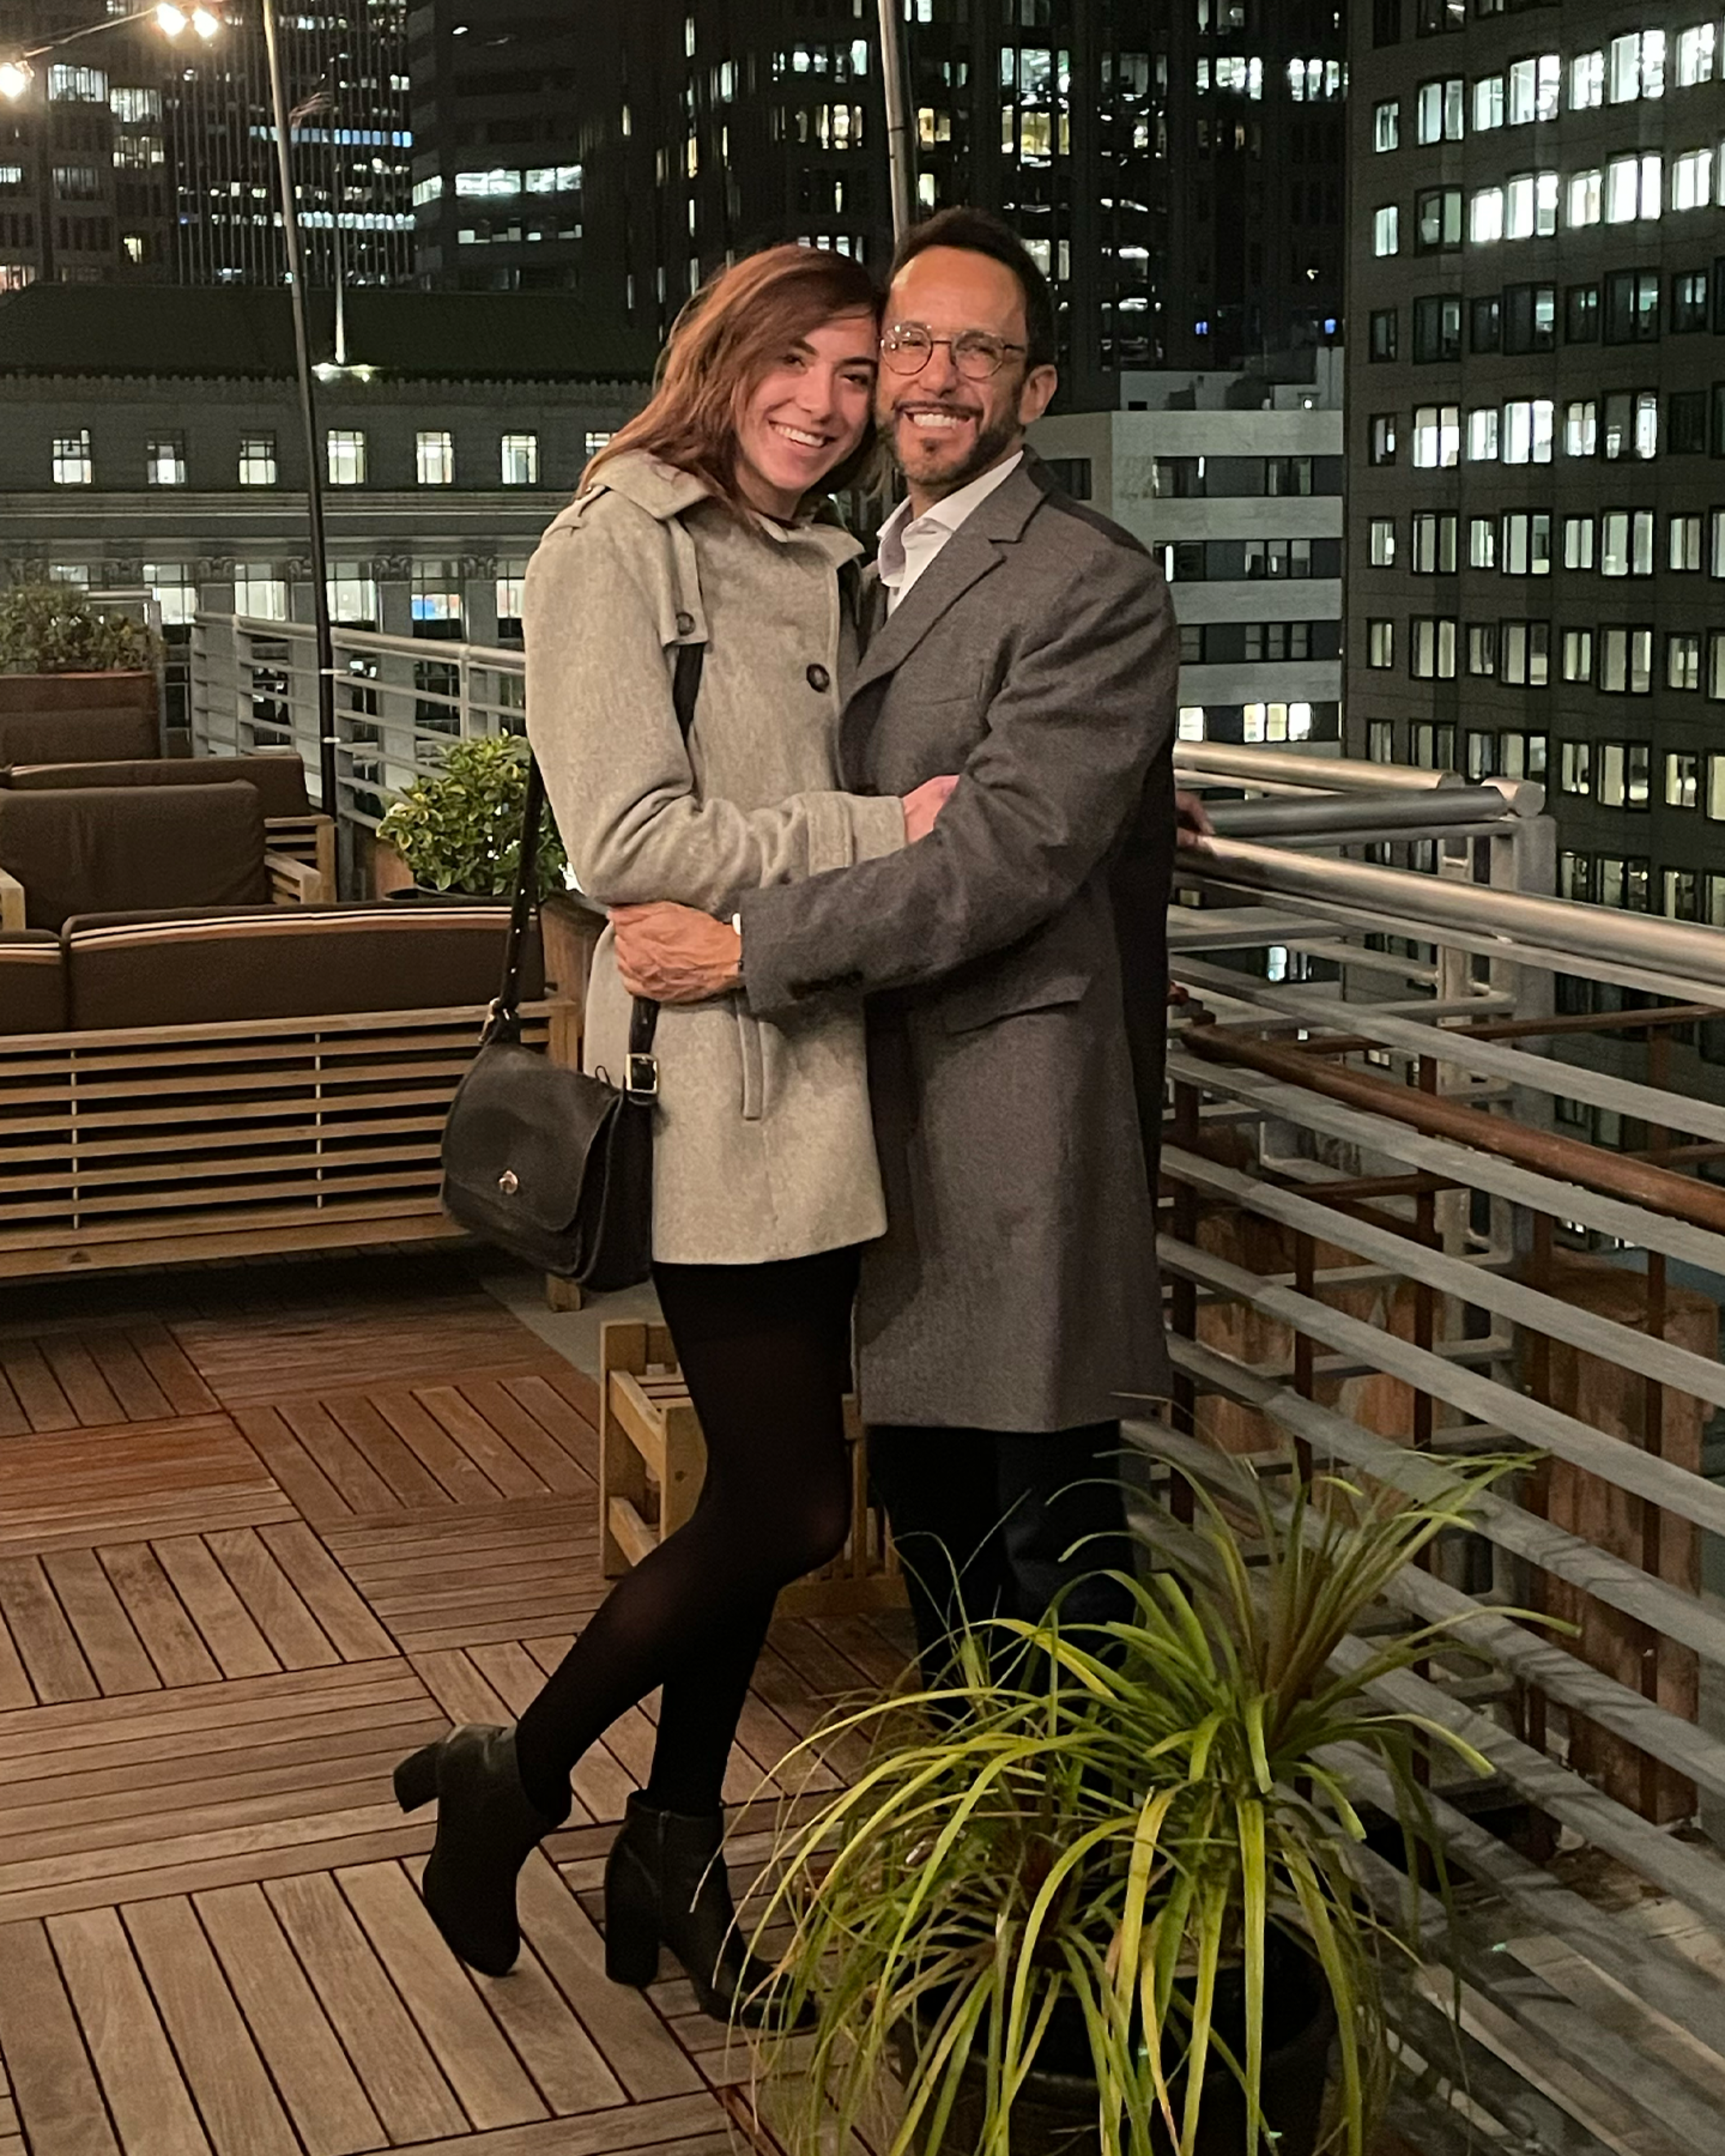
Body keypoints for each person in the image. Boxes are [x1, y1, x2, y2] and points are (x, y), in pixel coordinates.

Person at [394, 243, 955, 2021]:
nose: (826, 404)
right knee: (790, 1504)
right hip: (719, 1082)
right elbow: (628, 840)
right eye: (796, 362)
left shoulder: (832, 560)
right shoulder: (614, 544)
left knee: (751, 1497)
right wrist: (889, 832)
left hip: (834, 1074)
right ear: (722, 359)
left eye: (858, 375)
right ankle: (516, 1773)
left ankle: (676, 1848)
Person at [610, 207, 1182, 1691]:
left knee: (1049, 1519)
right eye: (910, 344)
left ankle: (1092, 1838)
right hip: (864, 1099)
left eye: (977, 352)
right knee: (931, 1515)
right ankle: (975, 1813)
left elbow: (1004, 856)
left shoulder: (1090, 578)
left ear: (1034, 390)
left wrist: (747, 947)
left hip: (1010, 1109)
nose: (934, 376)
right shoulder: (853, 565)